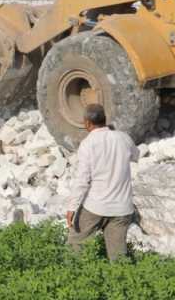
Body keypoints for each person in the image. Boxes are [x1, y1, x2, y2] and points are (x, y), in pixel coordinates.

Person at [66, 104, 139, 261]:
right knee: (118, 257)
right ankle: (122, 283)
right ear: (104, 120)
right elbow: (136, 156)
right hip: (122, 208)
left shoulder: (88, 143)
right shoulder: (124, 138)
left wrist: (72, 207)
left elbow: (83, 180)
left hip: (96, 206)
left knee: (75, 245)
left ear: (87, 123)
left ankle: (73, 278)